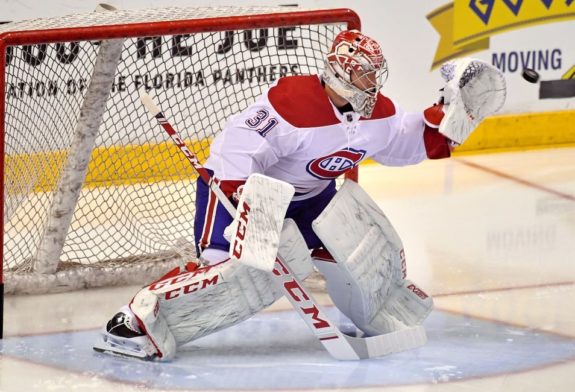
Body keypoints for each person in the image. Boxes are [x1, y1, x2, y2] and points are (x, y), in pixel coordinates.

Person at [95, 30, 463, 360]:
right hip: (242, 190)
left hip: (310, 200)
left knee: (357, 257)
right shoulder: (292, 104)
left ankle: (378, 309)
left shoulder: (376, 112)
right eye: (364, 72)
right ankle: (135, 319)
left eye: (374, 72)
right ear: (339, 73)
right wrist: (245, 199)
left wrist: (443, 127)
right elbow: (237, 144)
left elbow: (404, 140)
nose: (372, 81)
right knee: (231, 273)